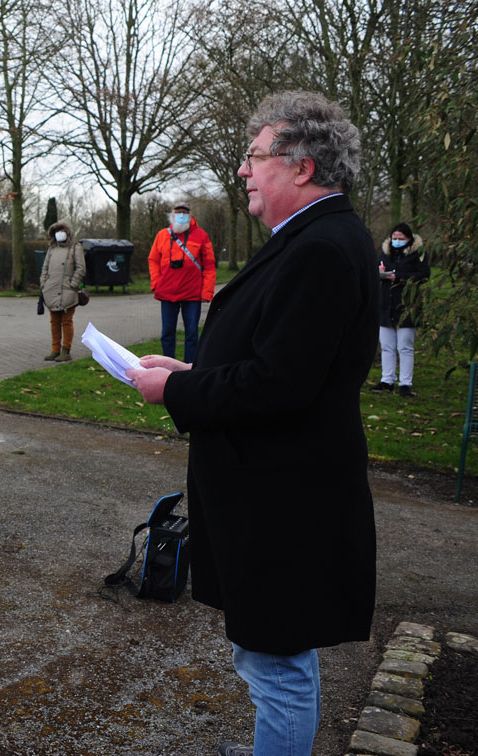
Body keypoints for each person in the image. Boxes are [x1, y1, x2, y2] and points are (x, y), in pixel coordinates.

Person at [127, 91, 377, 756]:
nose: (242, 171)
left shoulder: (320, 249)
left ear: (300, 167)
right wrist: (188, 373)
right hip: (279, 491)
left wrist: (176, 393)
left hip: (284, 498)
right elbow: (279, 358)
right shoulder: (311, 238)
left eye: (254, 155)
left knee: (277, 667)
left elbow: (280, 385)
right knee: (271, 654)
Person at [147, 200, 217, 364]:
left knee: (192, 333)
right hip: (167, 292)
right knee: (167, 333)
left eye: (184, 213)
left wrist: (207, 291)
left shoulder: (201, 235)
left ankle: (190, 367)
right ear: (172, 215)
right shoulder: (162, 235)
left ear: (190, 216)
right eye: (178, 213)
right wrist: (156, 283)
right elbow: (153, 260)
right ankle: (167, 365)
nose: (181, 216)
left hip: (192, 294)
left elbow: (209, 265)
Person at [374, 222, 430, 397]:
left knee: (405, 347)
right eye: (394, 238)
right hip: (385, 304)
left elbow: (423, 276)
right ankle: (387, 380)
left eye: (401, 238)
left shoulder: (418, 255)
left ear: (409, 239)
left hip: (407, 305)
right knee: (387, 346)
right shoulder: (385, 253)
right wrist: (380, 272)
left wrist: (398, 277)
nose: (397, 241)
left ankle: (405, 383)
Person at [39, 219, 85, 362]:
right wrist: (44, 283)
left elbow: (80, 268)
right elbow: (45, 267)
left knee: (66, 321)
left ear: (68, 233)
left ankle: (66, 350)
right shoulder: (51, 249)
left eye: (62, 231)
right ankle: (55, 350)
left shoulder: (75, 248)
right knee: (54, 322)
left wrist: (73, 284)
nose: (59, 234)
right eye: (57, 231)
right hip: (51, 290)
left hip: (68, 291)